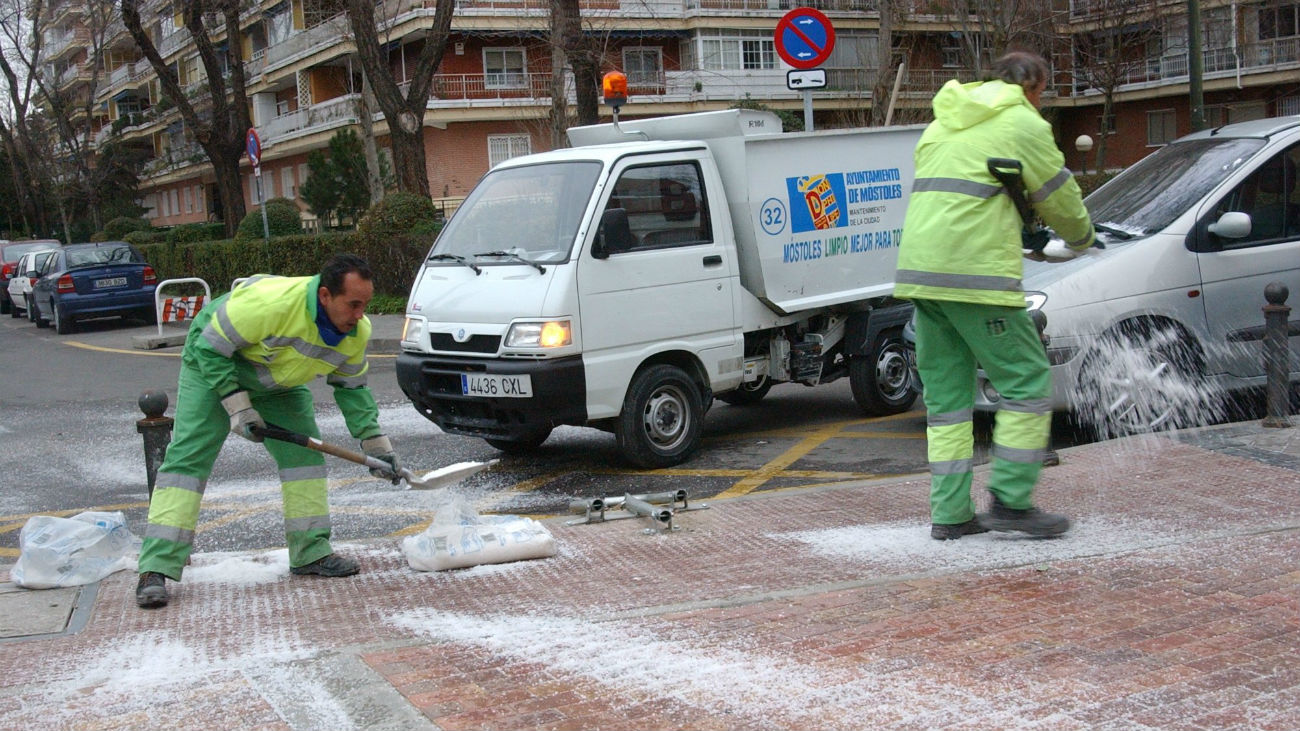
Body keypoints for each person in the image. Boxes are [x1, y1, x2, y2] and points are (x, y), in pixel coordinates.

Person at [894, 51, 1098, 541]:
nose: (1041, 103)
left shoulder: (943, 123)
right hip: (976, 273)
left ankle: (950, 514)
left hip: (922, 273)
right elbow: (1059, 195)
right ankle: (1011, 500)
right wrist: (1083, 238)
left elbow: (968, 193)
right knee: (1026, 381)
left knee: (947, 401)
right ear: (1033, 87)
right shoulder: (1022, 122)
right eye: (1042, 94)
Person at [135, 253, 404, 607]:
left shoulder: (355, 333)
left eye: (364, 305)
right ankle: (155, 568)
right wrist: (237, 406)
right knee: (188, 461)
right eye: (353, 304)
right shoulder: (271, 304)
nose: (360, 315)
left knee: (304, 459)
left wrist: (375, 444)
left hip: (278, 385)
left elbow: (352, 390)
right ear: (325, 296)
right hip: (213, 365)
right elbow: (210, 348)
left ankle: (310, 552)